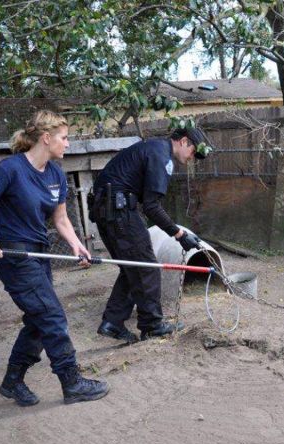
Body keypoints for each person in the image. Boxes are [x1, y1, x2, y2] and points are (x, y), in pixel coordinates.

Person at [0, 110, 109, 407]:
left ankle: (13, 381)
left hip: (39, 254)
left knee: (40, 320)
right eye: (64, 138)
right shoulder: (10, 169)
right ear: (46, 138)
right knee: (52, 316)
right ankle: (72, 381)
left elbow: (61, 219)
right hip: (14, 255)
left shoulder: (56, 174)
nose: (68, 144)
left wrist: (77, 245)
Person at [90, 125, 213, 344]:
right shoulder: (161, 156)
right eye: (194, 151)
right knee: (147, 267)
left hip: (106, 210)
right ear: (184, 141)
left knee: (132, 266)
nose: (192, 158)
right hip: (119, 212)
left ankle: (112, 322)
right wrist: (178, 234)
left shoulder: (154, 148)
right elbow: (152, 207)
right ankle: (152, 325)